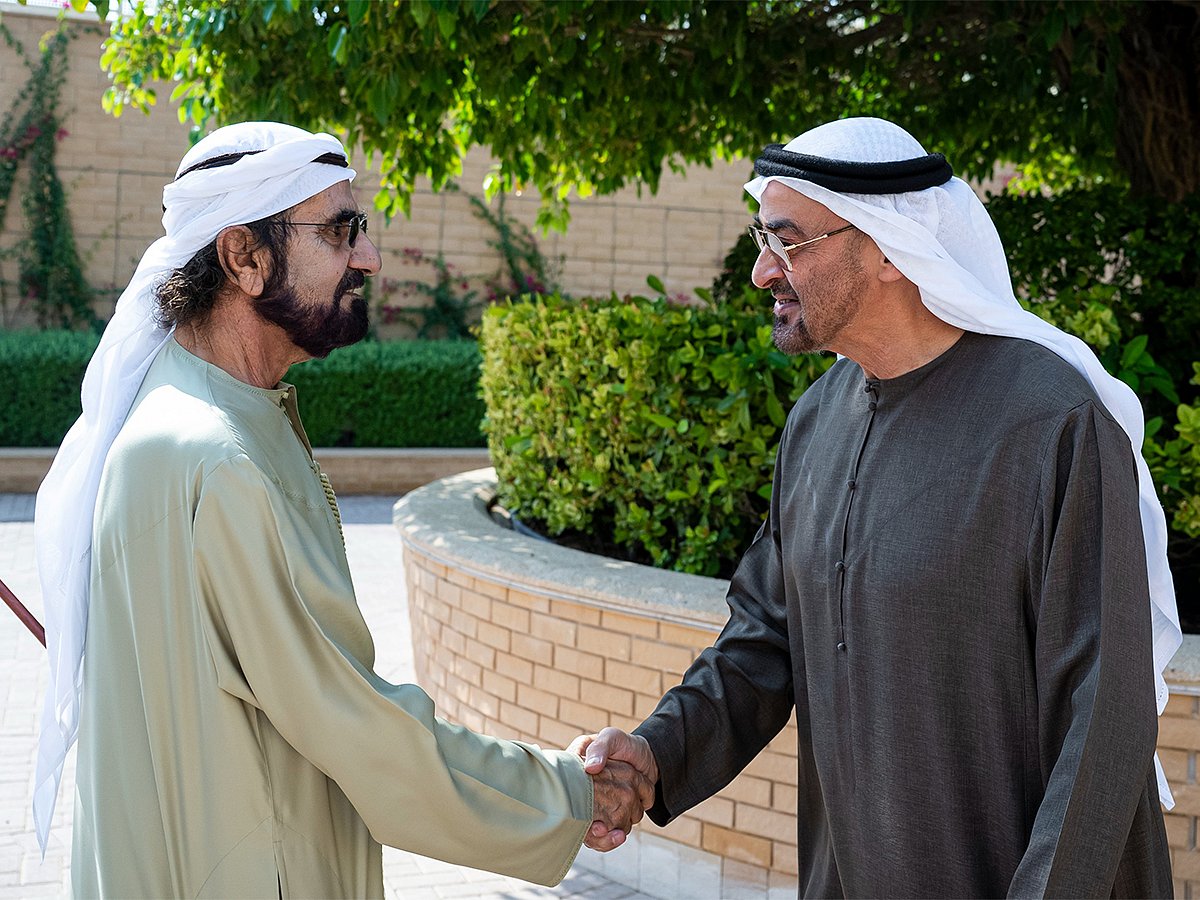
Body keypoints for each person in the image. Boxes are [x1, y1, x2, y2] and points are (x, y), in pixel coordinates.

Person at [32, 122, 651, 898]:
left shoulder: (200, 413)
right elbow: (355, 725)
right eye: (339, 229)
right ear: (244, 257)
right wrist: (566, 791)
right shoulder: (218, 458)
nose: (369, 257)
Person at [577, 117, 1182, 897]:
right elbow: (765, 639)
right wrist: (657, 756)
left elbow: (1106, 714)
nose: (762, 272)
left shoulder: (1052, 423)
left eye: (787, 243)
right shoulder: (816, 422)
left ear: (891, 250)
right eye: (762, 239)